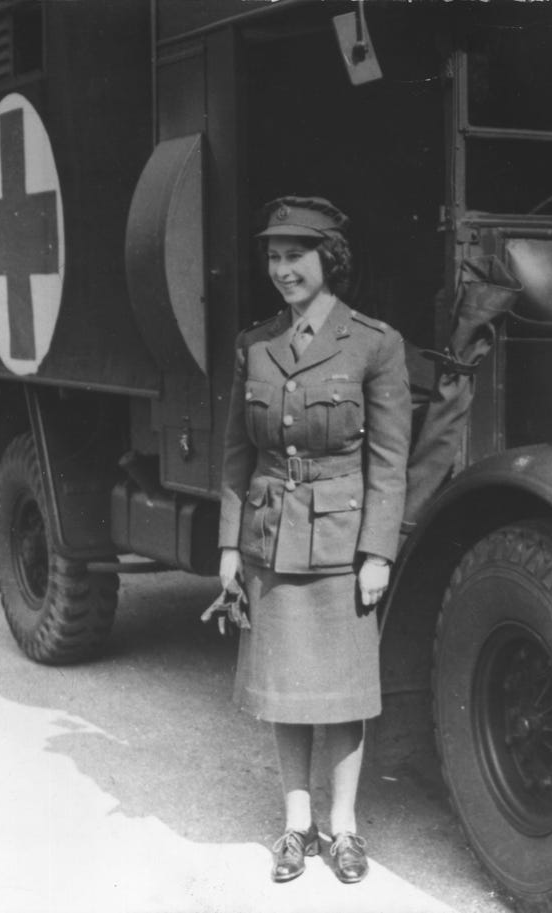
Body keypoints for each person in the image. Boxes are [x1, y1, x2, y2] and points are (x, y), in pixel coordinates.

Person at [217, 196, 411, 884]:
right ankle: (296, 825)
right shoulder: (255, 344)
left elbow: (389, 460)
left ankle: (345, 827)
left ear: (329, 259)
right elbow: (238, 452)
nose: (282, 269)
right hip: (271, 538)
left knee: (345, 693)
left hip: (340, 539)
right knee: (284, 688)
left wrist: (378, 552)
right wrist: (228, 549)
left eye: (296, 255)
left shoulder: (374, 344)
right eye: (273, 256)